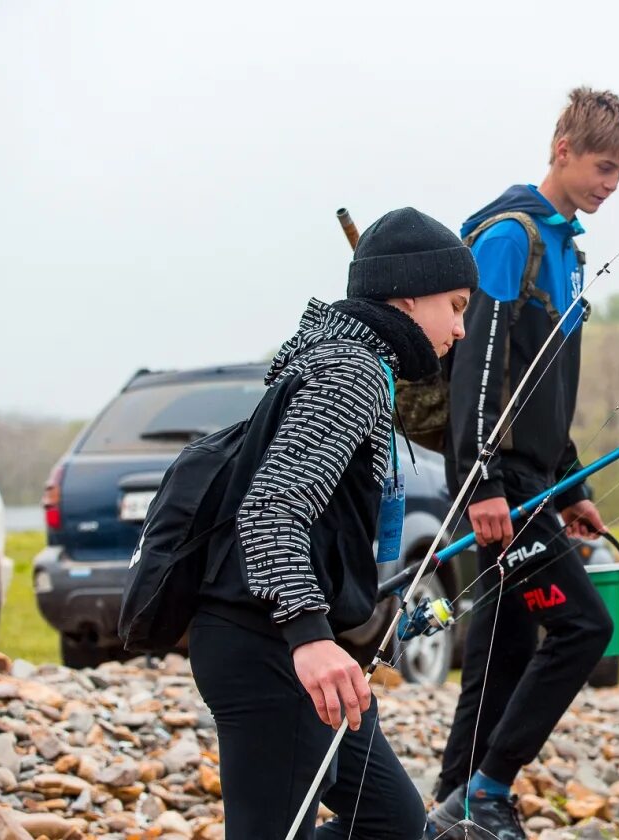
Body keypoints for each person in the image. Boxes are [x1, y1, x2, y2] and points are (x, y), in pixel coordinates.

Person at [188, 207, 476, 839]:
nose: (459, 327)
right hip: (269, 647)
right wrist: (310, 638)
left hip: (297, 649)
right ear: (407, 295)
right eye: (453, 306)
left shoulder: (343, 358)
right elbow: (271, 507)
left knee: (394, 826)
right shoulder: (349, 372)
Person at [426, 87, 619, 839]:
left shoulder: (568, 249)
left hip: (534, 482)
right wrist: (480, 482)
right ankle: (486, 793)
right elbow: (476, 374)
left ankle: (451, 808)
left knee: (503, 647)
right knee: (581, 629)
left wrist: (574, 485)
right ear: (562, 151)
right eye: (602, 167)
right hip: (499, 484)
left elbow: (547, 388)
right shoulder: (508, 237)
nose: (610, 185)